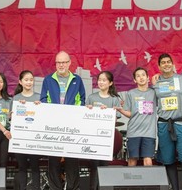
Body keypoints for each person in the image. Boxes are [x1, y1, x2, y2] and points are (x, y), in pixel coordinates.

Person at [40, 51, 86, 190]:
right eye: (58, 62)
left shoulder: (77, 80)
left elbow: (81, 100)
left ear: (69, 63)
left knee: (72, 159)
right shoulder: (48, 80)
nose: (61, 65)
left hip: (71, 125)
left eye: (64, 62)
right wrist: (54, 115)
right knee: (53, 160)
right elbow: (43, 100)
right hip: (53, 125)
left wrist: (71, 115)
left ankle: (73, 188)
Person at [152, 54, 182, 190]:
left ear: (172, 64)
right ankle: (174, 187)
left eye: (169, 62)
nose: (166, 64)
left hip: (181, 123)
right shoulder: (155, 83)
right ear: (159, 66)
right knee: (168, 158)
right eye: (163, 62)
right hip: (164, 124)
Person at [86, 71, 121, 190]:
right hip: (93, 137)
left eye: (104, 80)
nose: (101, 82)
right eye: (99, 79)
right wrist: (88, 110)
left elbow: (116, 119)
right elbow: (85, 117)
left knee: (105, 166)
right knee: (94, 165)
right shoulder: (91, 97)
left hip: (107, 138)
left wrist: (107, 112)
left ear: (110, 83)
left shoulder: (115, 99)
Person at [116, 67, 156, 166]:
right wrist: (121, 110)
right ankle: (131, 181)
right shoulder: (131, 93)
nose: (141, 78)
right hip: (133, 132)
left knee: (147, 159)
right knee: (132, 159)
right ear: (134, 80)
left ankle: (149, 182)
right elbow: (130, 113)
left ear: (148, 78)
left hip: (149, 133)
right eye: (138, 76)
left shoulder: (154, 93)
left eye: (143, 75)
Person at [11, 70, 41, 190]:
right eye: (26, 80)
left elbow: (43, 118)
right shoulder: (16, 98)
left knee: (35, 165)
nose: (29, 82)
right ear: (20, 82)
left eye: (31, 80)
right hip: (20, 137)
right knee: (22, 166)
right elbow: (12, 118)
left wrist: (40, 108)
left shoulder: (39, 97)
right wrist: (19, 108)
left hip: (34, 138)